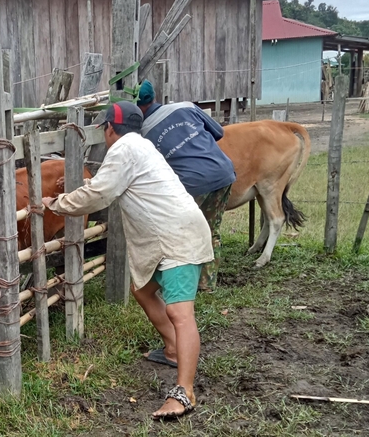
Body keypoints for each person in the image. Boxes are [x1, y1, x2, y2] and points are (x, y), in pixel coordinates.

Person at [42, 101, 213, 419]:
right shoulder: (139, 146)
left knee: (180, 311)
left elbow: (99, 195)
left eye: (103, 129)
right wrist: (79, 190)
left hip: (177, 236)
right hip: (175, 231)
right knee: (143, 291)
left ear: (109, 128)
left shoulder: (123, 150)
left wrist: (56, 203)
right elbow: (106, 185)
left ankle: (184, 392)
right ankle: (173, 350)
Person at [137, 80, 236, 292]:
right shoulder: (186, 106)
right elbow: (218, 132)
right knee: (211, 229)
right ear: (154, 96)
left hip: (191, 185)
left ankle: (178, 285)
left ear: (136, 106)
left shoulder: (143, 134)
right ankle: (206, 284)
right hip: (223, 173)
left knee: (180, 234)